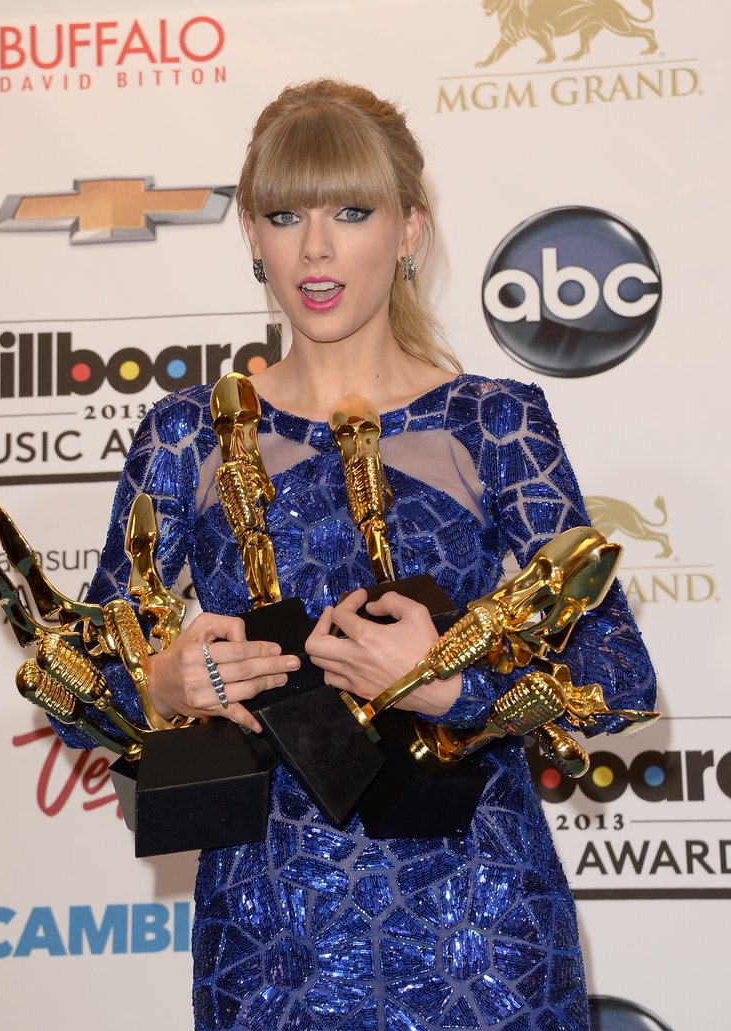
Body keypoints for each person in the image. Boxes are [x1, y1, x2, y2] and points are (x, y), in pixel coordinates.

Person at [56, 80, 656, 1030]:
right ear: (251, 235)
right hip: (268, 937)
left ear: (411, 229)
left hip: (483, 929)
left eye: (353, 211)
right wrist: (163, 683)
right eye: (285, 214)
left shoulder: (495, 424)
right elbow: (76, 682)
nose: (318, 248)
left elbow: (617, 673)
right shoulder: (188, 438)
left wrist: (454, 682)